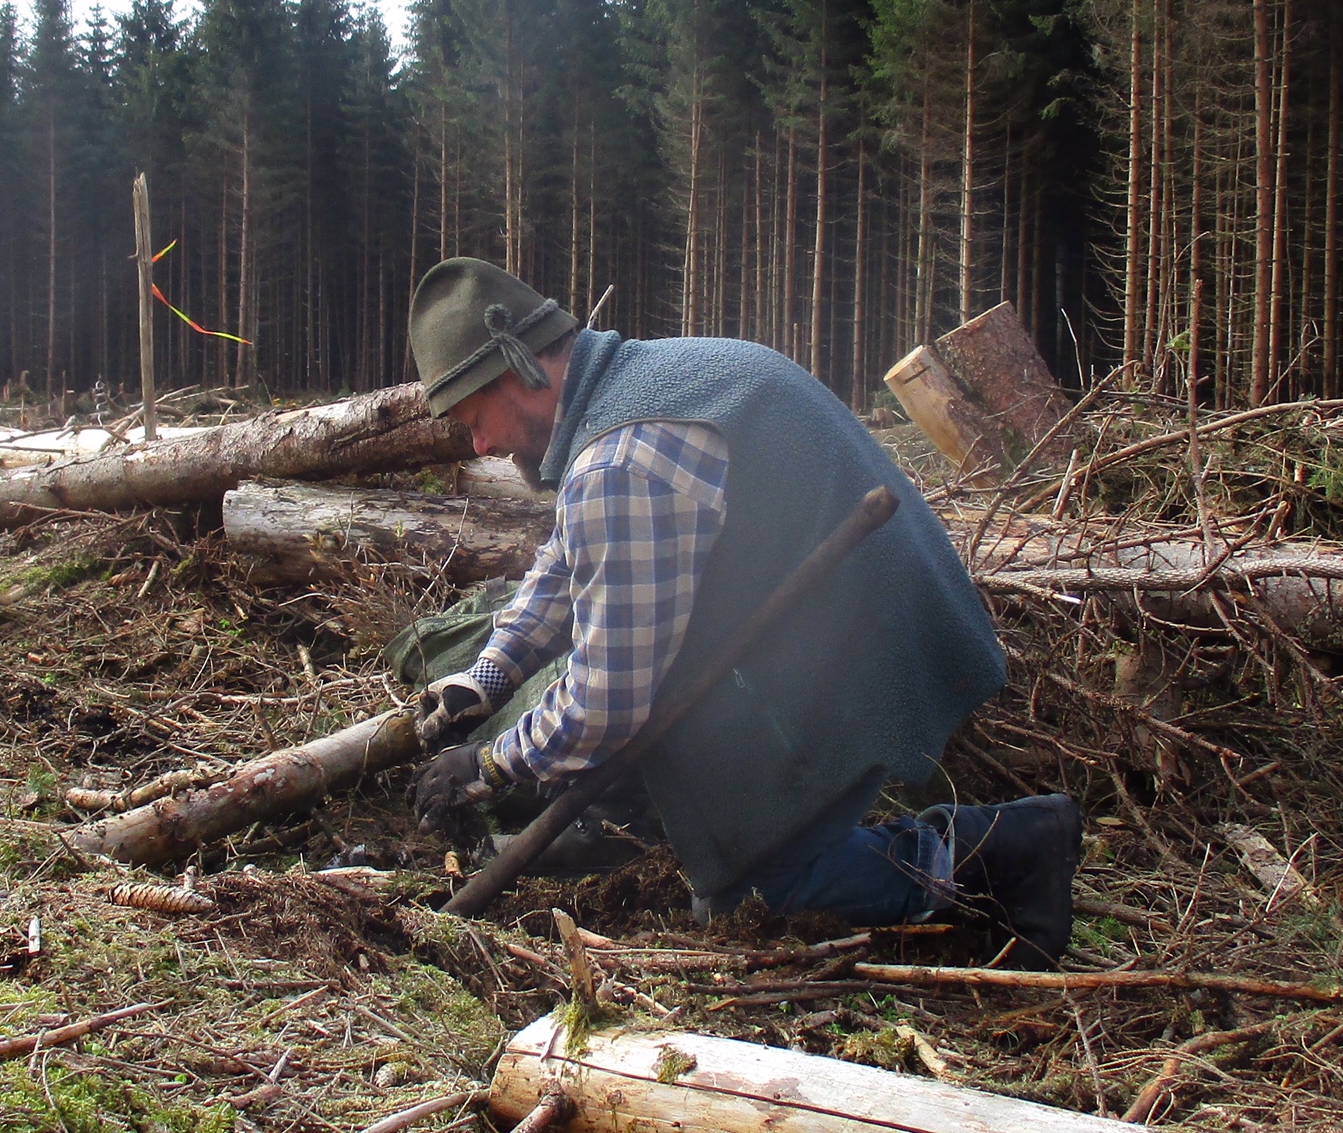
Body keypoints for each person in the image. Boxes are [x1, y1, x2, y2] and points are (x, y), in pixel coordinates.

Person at [403, 257, 1082, 966]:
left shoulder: (620, 462)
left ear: (517, 372)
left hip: (873, 647)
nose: (480, 446)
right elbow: (571, 560)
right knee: (656, 768)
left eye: (474, 420)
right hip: (850, 615)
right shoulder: (637, 384)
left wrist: (490, 763)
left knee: (757, 893)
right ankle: (670, 817)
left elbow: (606, 699)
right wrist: (487, 676)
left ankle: (1006, 851)